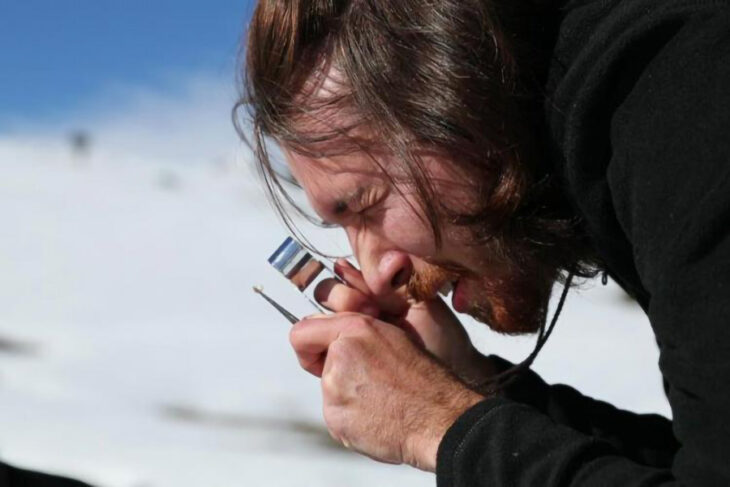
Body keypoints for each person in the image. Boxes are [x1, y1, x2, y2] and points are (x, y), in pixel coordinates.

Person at [240, 0, 730, 485]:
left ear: (449, 93)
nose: (377, 273)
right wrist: (464, 382)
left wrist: (439, 427)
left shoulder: (681, 107)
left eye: (366, 204)